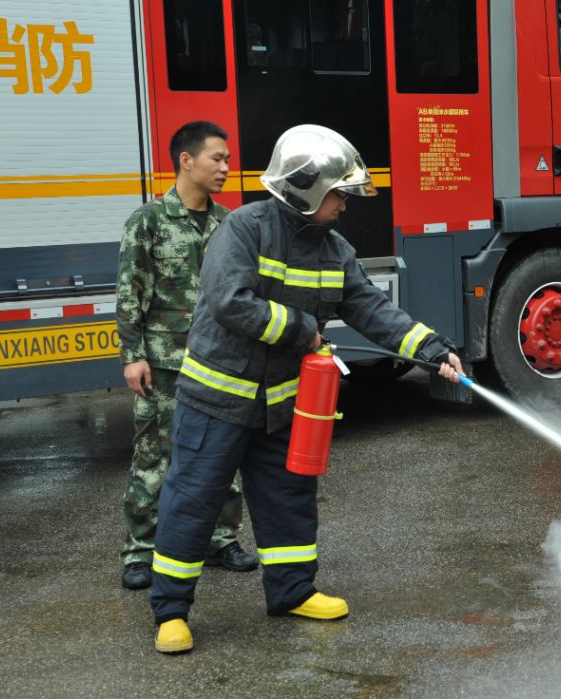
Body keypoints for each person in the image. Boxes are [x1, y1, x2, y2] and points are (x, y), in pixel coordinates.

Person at [150, 125, 464, 654]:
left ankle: (292, 593)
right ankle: (171, 612)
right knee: (194, 501)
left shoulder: (334, 250)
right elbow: (230, 301)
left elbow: (369, 307)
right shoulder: (245, 229)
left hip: (280, 405)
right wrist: (302, 330)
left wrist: (429, 349)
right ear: (307, 187)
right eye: (338, 193)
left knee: (288, 500)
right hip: (217, 402)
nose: (345, 204)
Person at [116, 121, 258, 591]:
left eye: (227, 159)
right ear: (186, 160)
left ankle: (220, 539)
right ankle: (141, 551)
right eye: (217, 158)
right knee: (154, 456)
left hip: (219, 363)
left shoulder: (230, 223)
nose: (225, 167)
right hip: (164, 362)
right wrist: (132, 356)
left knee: (222, 453)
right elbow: (129, 293)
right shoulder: (149, 222)